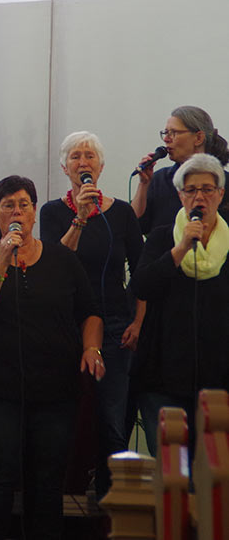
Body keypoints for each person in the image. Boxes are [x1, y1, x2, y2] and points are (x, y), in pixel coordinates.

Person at [0, 175, 103, 540]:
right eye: (8, 205)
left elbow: (90, 311)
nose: (17, 212)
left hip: (55, 393)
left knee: (47, 481)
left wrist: (91, 347)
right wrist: (2, 259)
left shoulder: (62, 259)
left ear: (35, 213)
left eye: (24, 204)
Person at [39, 131, 145, 498]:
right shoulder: (53, 212)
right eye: (75, 157)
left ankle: (111, 495)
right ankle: (54, 489)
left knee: (112, 417)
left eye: (89, 157)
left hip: (115, 325)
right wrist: (80, 218)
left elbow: (141, 272)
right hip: (64, 325)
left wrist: (137, 320)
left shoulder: (123, 214)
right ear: (65, 167)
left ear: (100, 167)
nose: (83, 162)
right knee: (58, 413)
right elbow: (52, 265)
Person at [131, 154, 229, 455]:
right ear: (180, 195)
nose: (199, 196)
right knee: (174, 476)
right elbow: (141, 286)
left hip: (219, 378)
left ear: (220, 194)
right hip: (163, 375)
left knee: (214, 477)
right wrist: (181, 248)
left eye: (207, 189)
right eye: (191, 190)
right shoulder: (163, 238)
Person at [132, 105, 229, 234]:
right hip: (166, 253)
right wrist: (143, 185)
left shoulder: (225, 182)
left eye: (174, 133)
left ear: (199, 138)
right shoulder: (159, 180)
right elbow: (133, 227)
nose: (166, 139)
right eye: (165, 133)